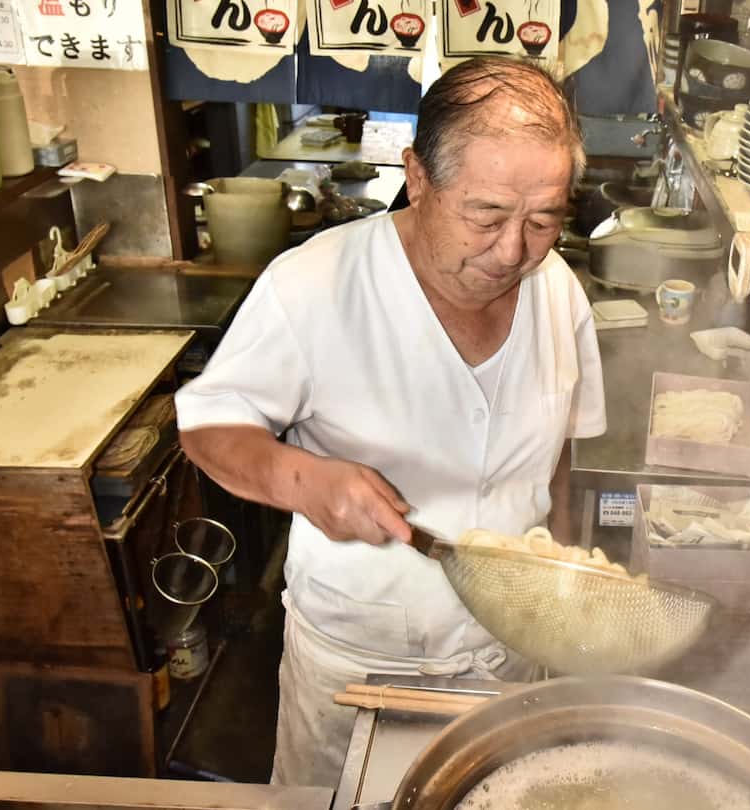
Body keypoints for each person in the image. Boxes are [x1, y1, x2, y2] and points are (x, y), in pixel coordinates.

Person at [174, 57, 607, 787]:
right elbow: (209, 426)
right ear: (418, 175)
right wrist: (302, 480)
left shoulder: (557, 291)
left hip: (506, 657)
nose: (512, 251)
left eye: (543, 220)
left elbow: (558, 450)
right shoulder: (313, 284)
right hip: (356, 664)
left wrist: (564, 582)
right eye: (487, 215)